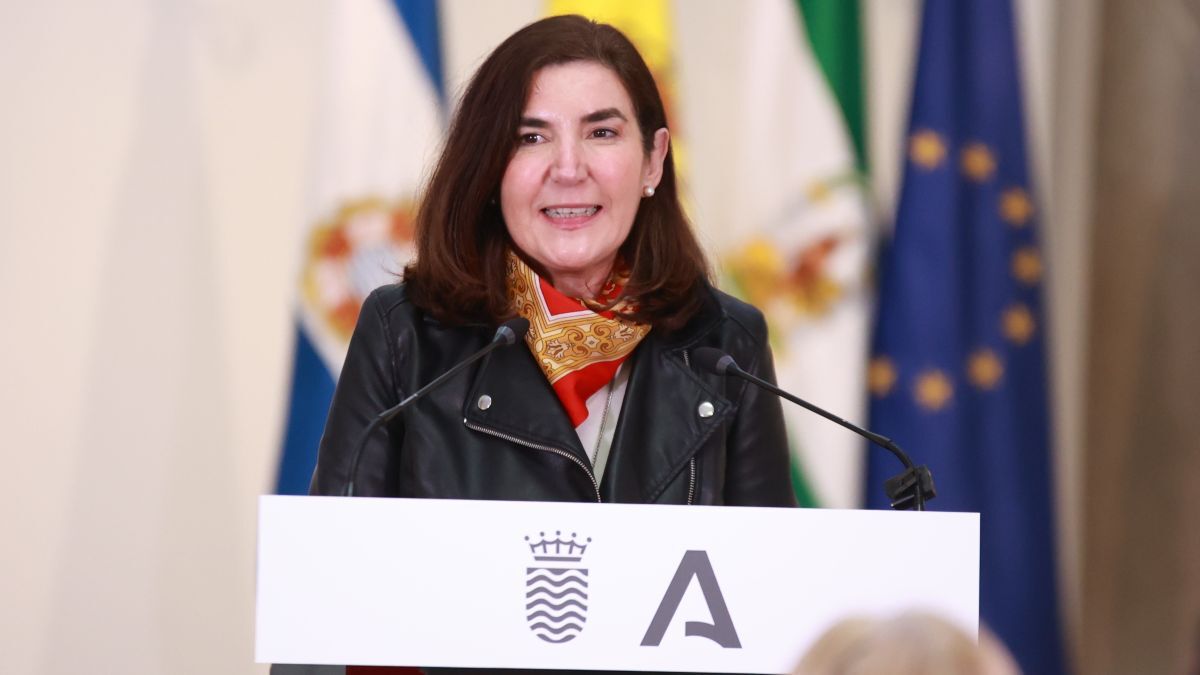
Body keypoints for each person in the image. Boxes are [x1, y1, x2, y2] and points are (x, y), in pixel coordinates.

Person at [310, 14, 795, 508]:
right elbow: (335, 565)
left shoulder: (728, 345)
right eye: (531, 138)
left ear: (653, 159)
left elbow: (767, 571)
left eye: (601, 132)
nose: (568, 169)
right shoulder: (405, 337)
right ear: (489, 167)